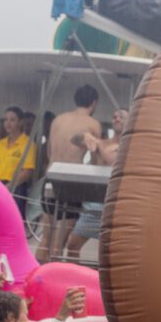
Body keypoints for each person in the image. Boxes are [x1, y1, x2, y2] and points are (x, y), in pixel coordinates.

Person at [36, 85, 101, 262]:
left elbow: (49, 151)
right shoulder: (93, 124)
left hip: (50, 178)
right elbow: (96, 160)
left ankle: (36, 276)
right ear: (93, 103)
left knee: (46, 238)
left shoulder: (58, 120)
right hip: (71, 183)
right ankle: (52, 280)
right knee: (60, 241)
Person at [66, 108, 128, 259]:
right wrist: (85, 135)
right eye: (114, 117)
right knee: (72, 245)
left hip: (115, 205)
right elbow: (73, 140)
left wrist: (98, 146)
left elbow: (112, 161)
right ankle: (75, 280)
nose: (117, 119)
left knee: (108, 251)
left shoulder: (131, 147)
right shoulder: (101, 142)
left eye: (121, 116)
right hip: (94, 204)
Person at [0, 106, 37, 218]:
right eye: (5, 120)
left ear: (20, 122)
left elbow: (28, 171)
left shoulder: (28, 144)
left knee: (11, 221)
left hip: (16, 187)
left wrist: (9, 186)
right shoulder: (1, 144)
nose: (8, 123)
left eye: (12, 120)